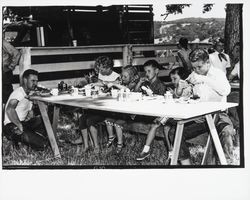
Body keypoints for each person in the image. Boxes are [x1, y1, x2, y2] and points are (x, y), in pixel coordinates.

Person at [169, 48, 234, 165]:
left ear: (208, 62)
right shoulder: (194, 74)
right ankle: (186, 165)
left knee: (227, 132)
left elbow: (226, 90)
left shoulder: (218, 73)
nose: (197, 71)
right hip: (200, 115)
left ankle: (226, 165)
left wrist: (204, 79)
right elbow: (180, 94)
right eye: (194, 68)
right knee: (174, 132)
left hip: (218, 114)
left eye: (199, 67)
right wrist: (180, 88)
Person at [136, 67, 192, 161]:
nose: (173, 81)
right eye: (171, 79)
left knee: (165, 127)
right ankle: (146, 150)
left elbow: (182, 100)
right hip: (172, 114)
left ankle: (170, 153)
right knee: (157, 124)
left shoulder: (188, 88)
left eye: (175, 79)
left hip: (182, 115)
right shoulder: (175, 88)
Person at [72, 56, 120, 153]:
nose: (99, 70)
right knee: (82, 118)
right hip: (99, 106)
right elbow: (99, 86)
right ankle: (85, 145)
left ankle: (96, 147)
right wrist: (93, 86)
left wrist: (102, 87)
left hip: (109, 110)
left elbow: (115, 93)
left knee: (90, 120)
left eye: (101, 68)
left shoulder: (116, 77)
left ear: (108, 68)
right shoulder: (101, 74)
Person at [3, 69, 48, 150]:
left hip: (24, 123)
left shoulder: (30, 92)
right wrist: (19, 125)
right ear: (25, 80)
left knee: (44, 118)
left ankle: (28, 138)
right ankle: (22, 140)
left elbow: (29, 110)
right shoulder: (18, 93)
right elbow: (9, 110)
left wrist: (31, 113)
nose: (35, 83)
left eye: (36, 81)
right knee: (43, 145)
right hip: (12, 125)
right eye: (33, 81)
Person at [104, 65, 140, 153]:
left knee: (117, 124)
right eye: (122, 76)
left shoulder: (133, 84)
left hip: (131, 113)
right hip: (121, 111)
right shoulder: (122, 82)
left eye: (125, 76)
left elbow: (127, 89)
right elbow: (112, 83)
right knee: (108, 120)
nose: (122, 78)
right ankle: (111, 137)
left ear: (132, 77)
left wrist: (115, 84)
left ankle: (120, 143)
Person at [2, 39, 21, 107]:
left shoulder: (2, 42)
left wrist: (11, 66)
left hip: (4, 72)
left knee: (7, 96)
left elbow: (16, 53)